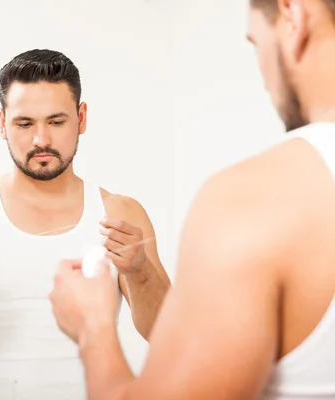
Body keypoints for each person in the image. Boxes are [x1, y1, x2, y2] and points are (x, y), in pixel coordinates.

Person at [49, 1, 335, 399]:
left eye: (256, 44)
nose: (265, 79)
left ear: (293, 16)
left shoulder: (254, 200)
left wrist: (93, 329)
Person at [0, 49, 171, 398]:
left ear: (81, 117)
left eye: (56, 122)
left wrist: (140, 271)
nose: (41, 139)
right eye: (24, 124)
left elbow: (169, 337)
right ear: (2, 123)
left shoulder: (120, 214)